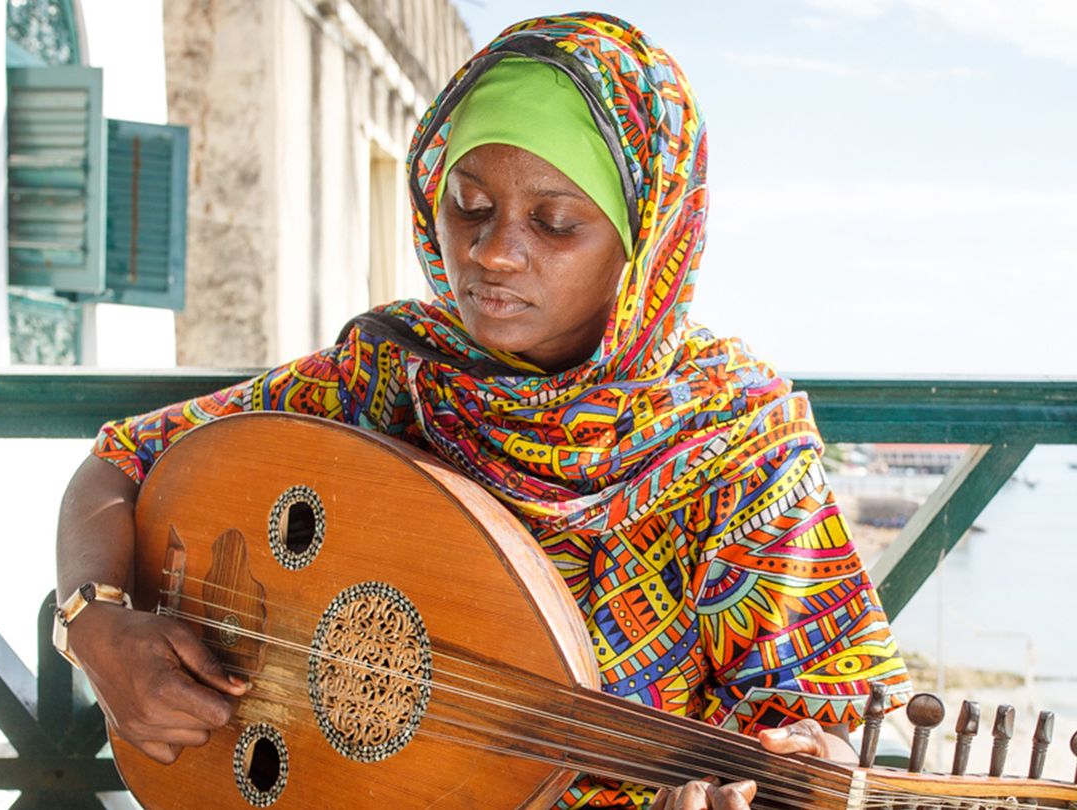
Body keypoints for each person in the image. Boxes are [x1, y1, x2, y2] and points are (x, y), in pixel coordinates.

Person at [55, 11, 911, 809]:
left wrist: (806, 765)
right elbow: (122, 462)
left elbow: (826, 723)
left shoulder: (736, 447)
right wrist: (94, 624)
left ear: (645, 240)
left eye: (555, 222)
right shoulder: (389, 374)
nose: (494, 253)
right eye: (469, 206)